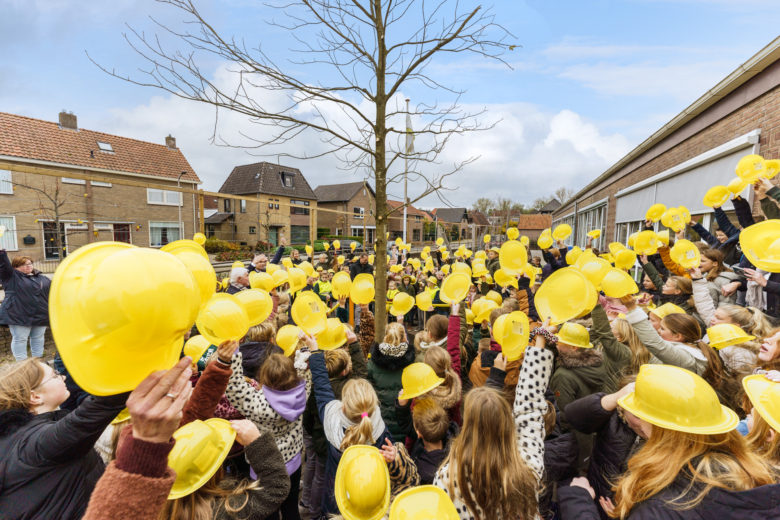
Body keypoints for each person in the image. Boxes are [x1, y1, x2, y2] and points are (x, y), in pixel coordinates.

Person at [559, 364, 780, 519]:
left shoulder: (666, 506)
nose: (631, 416)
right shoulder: (754, 472)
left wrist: (578, 504)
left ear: (656, 428)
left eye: (638, 411)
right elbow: (573, 417)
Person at [434, 323, 554, 519]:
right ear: (507, 423)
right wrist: (540, 339)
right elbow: (530, 407)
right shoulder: (526, 466)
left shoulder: (447, 479)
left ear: (468, 426)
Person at [0, 356, 129, 519]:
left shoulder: (14, 435)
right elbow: (100, 408)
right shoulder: (39, 443)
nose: (63, 376)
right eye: (55, 375)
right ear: (35, 397)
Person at [308, 337, 392, 517]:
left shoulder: (331, 420)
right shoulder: (379, 429)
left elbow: (322, 387)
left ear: (343, 406)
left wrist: (315, 352)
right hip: (370, 500)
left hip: (335, 500)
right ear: (373, 406)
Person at [225, 347, 311, 520]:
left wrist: (233, 356)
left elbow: (234, 388)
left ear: (264, 377)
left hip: (265, 467)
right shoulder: (301, 394)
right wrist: (305, 351)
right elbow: (306, 376)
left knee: (267, 510)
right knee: (290, 507)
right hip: (293, 462)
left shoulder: (258, 404)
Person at [367, 320, 416, 439]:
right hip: (405, 420)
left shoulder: (372, 363)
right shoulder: (412, 362)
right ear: (405, 338)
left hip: (380, 422)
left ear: (385, 336)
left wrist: (365, 416)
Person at [0, 251, 51, 360]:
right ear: (15, 267)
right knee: (20, 339)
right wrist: (1, 253)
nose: (28, 266)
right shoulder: (11, 277)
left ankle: (37, 362)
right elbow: (3, 265)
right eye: (24, 264)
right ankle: (22, 365)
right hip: (18, 314)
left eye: (30, 263)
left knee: (38, 338)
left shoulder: (42, 278)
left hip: (40, 314)